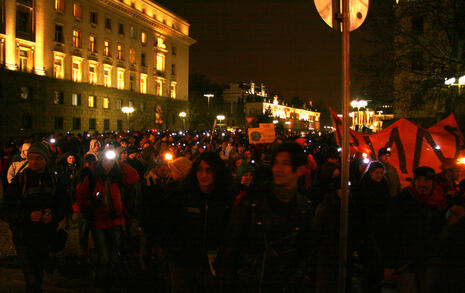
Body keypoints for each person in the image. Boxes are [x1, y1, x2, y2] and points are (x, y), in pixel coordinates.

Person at [219, 143, 315, 293]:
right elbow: (230, 250)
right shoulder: (252, 203)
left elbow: (304, 256)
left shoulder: (304, 209)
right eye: (276, 163)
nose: (278, 169)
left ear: (300, 169)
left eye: (286, 164)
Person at [0, 142, 68, 293]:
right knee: (31, 278)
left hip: (45, 236)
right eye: (31, 158)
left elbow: (64, 205)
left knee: (38, 274)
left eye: (38, 158)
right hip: (24, 237)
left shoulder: (54, 180)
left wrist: (53, 215)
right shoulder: (19, 181)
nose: (34, 162)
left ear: (45, 159)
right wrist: (28, 216)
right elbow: (5, 210)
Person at [164, 151, 233, 293]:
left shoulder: (226, 199)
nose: (203, 175)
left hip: (213, 265)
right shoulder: (181, 197)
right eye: (200, 170)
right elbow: (169, 228)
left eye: (208, 170)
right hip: (184, 264)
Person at [75, 148, 139, 289]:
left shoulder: (119, 175)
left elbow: (134, 176)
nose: (108, 164)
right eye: (106, 160)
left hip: (116, 220)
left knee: (114, 253)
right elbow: (81, 197)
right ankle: (101, 281)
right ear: (101, 160)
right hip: (99, 221)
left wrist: (121, 164)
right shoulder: (92, 176)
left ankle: (109, 280)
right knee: (104, 255)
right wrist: (93, 204)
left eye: (111, 161)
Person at [384, 166, 447, 293]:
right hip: (406, 262)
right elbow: (391, 232)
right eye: (419, 180)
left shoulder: (438, 203)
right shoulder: (402, 201)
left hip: (429, 262)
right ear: (414, 181)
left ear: (432, 183)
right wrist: (389, 264)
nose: (423, 184)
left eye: (427, 181)